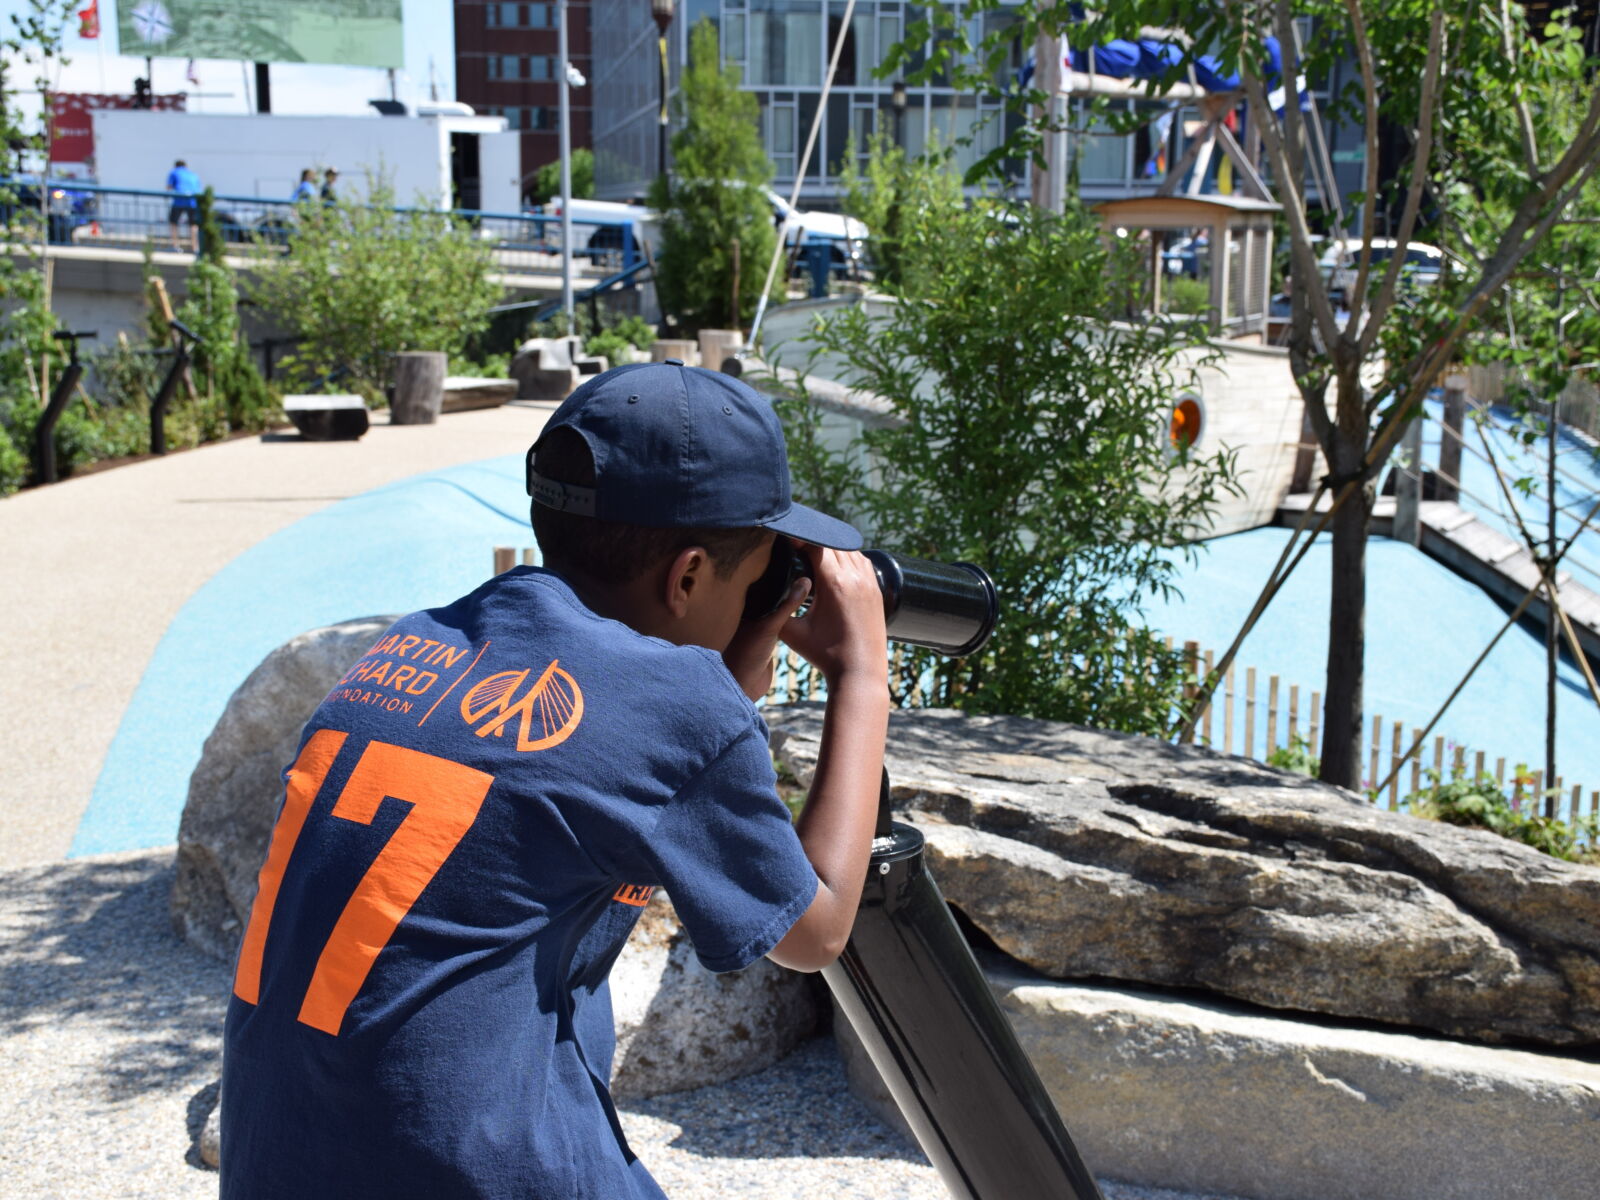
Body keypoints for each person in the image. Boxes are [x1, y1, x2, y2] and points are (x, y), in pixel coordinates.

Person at [219, 361, 890, 1199]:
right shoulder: (675, 711)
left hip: (282, 1163)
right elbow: (815, 928)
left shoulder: (417, 643)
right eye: (756, 578)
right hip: (476, 1175)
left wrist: (732, 648)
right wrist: (863, 673)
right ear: (686, 577)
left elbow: (607, 738)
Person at [165, 158, 202, 251]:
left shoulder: (174, 172)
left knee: (173, 223)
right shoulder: (193, 174)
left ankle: (175, 246)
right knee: (193, 224)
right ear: (186, 166)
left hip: (179, 200)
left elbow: (168, 188)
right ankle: (195, 247)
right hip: (193, 201)